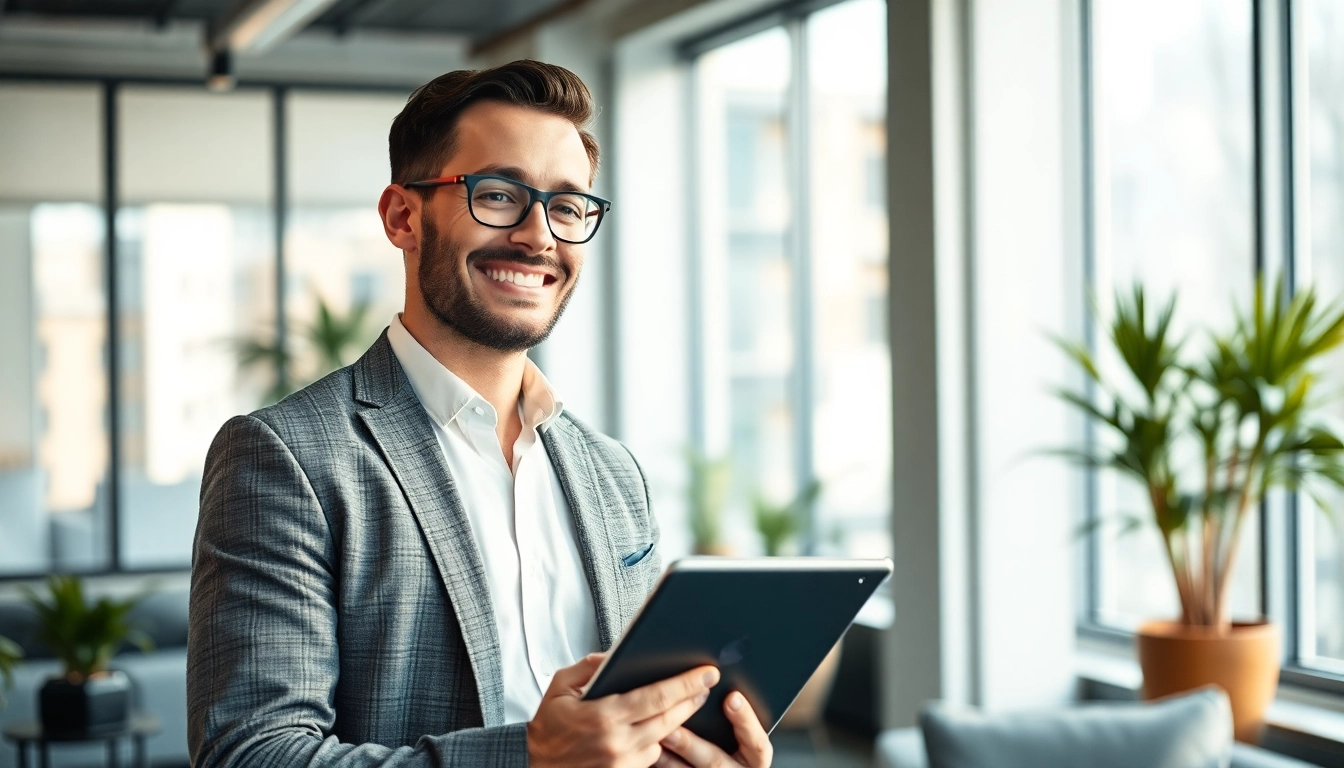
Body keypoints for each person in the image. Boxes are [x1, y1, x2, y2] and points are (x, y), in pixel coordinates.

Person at [187, 60, 774, 768]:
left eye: (566, 206)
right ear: (403, 217)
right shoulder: (286, 458)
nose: (538, 237)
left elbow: (630, 726)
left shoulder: (613, 472)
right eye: (497, 194)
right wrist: (530, 758)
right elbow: (252, 755)